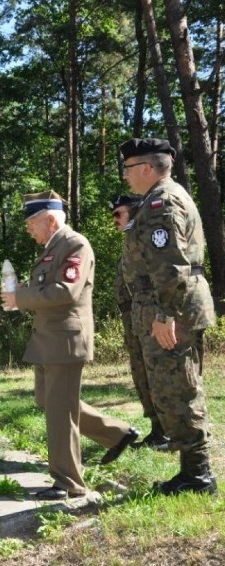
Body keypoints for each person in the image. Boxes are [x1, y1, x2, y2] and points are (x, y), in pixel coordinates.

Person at [1, 191, 138, 500]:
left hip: (65, 339)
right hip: (50, 339)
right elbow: (48, 287)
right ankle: (117, 433)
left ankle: (69, 483)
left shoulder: (74, 244)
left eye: (31, 222)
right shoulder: (54, 246)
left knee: (59, 411)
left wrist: (20, 298)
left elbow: (66, 290)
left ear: (50, 219)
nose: (28, 229)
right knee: (47, 401)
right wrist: (23, 291)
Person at [118, 138, 218, 495]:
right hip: (168, 308)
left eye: (128, 168)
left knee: (180, 390)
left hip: (172, 309)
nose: (125, 176)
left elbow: (171, 265)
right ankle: (192, 472)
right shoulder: (153, 200)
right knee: (170, 390)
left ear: (146, 168)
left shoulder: (162, 203)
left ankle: (199, 476)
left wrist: (163, 314)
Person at [109, 194, 170, 450]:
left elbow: (163, 277)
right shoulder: (129, 242)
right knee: (141, 374)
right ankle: (157, 429)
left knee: (159, 375)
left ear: (134, 212)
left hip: (151, 317)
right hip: (132, 318)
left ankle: (169, 431)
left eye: (118, 214)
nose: (114, 221)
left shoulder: (148, 238)